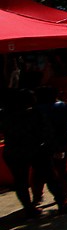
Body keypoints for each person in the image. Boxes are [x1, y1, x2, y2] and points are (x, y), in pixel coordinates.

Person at [32, 85, 67, 214]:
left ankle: (37, 196)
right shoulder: (65, 106)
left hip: (42, 144)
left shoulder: (35, 110)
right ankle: (66, 192)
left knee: (39, 171)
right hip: (63, 141)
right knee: (63, 167)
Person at [1, 90, 44, 218]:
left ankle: (29, 206)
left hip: (12, 151)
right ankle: (35, 201)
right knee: (40, 174)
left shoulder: (4, 115)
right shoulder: (31, 113)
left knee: (20, 181)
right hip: (29, 149)